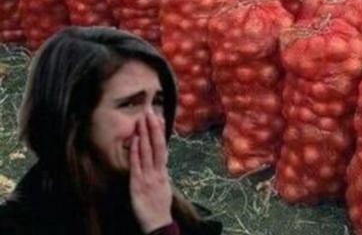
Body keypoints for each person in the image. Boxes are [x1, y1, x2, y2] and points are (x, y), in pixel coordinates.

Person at [0, 26, 222, 235]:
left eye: (158, 101)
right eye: (130, 104)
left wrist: (160, 221)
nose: (155, 123)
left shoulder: (173, 213)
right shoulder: (24, 223)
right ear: (74, 116)